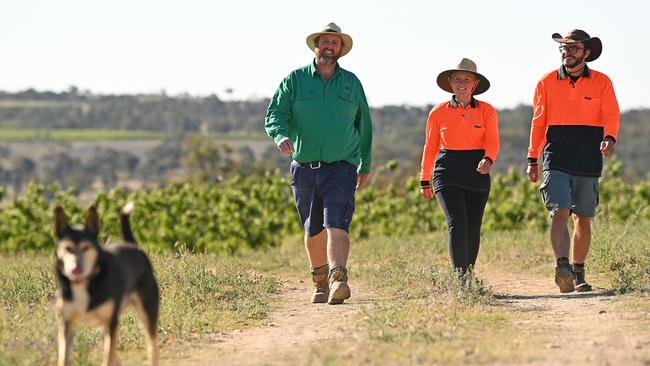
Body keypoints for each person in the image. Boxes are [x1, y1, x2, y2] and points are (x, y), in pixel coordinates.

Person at [264, 22, 372, 305]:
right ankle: (320, 281)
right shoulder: (295, 80)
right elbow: (275, 112)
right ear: (316, 46)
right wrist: (280, 135)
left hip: (342, 167)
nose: (329, 47)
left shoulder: (352, 83)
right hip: (304, 168)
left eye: (334, 43)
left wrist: (366, 163)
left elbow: (365, 125)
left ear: (340, 49)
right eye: (325, 41)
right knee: (313, 228)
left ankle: (339, 278)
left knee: (337, 221)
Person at [526, 29, 620, 293]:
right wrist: (533, 157)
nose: (568, 52)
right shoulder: (546, 82)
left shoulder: (602, 82)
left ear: (586, 53)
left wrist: (610, 138)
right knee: (559, 211)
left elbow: (611, 114)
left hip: (588, 158)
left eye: (574, 48)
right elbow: (538, 122)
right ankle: (562, 266)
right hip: (556, 156)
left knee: (583, 218)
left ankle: (578, 271)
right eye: (564, 48)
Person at [419, 58, 500, 281]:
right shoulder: (437, 112)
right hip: (447, 171)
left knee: (473, 227)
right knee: (457, 222)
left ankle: (468, 274)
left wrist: (489, 159)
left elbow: (493, 141)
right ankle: (460, 278)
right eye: (457, 79)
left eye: (466, 79)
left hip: (478, 171)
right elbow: (431, 146)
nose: (461, 83)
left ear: (474, 84)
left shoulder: (487, 111)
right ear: (450, 83)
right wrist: (425, 179)